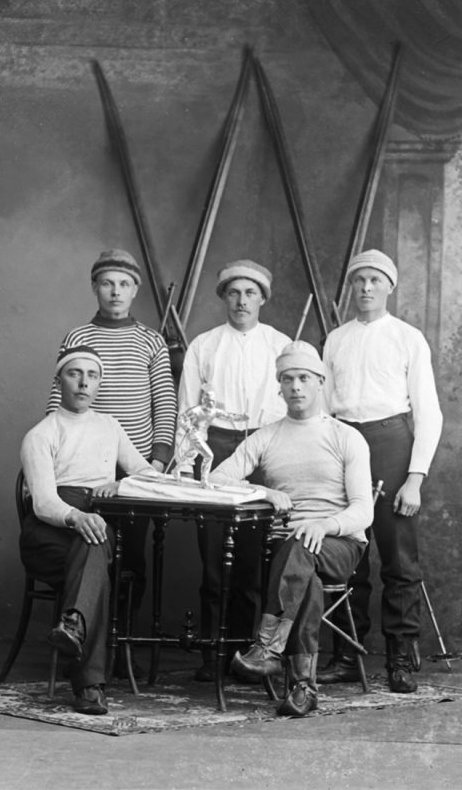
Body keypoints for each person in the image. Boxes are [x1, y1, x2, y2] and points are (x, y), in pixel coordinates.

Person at [210, 342, 373, 717]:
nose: (296, 386)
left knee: (301, 548)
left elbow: (363, 512)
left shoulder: (345, 437)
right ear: (279, 387)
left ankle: (267, 647)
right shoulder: (267, 436)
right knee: (304, 575)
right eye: (287, 379)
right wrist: (263, 491)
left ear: (319, 382)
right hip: (291, 553)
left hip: (340, 546)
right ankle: (303, 687)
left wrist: (325, 524)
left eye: (303, 378)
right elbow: (218, 479)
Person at [47, 248, 177, 672]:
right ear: (94, 287)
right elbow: (58, 403)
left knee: (131, 559)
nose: (115, 291)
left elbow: (165, 403)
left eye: (123, 283)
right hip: (84, 468)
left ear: (135, 289)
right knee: (87, 547)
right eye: (107, 282)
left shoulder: (150, 340)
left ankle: (117, 645)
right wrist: (57, 453)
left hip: (133, 468)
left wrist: (156, 463)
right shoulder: (77, 338)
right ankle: (82, 639)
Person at [320, 248, 444, 693]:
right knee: (346, 554)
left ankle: (401, 658)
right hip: (344, 444)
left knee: (398, 558)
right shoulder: (335, 340)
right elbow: (322, 407)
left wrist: (415, 477)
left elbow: (428, 413)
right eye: (359, 280)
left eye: (375, 280)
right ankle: (346, 656)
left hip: (392, 443)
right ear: (351, 287)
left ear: (390, 286)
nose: (366, 288)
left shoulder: (408, 338)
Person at [20, 346, 156, 715]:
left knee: (95, 545)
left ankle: (75, 631)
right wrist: (78, 518)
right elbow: (44, 503)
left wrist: (122, 485)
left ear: (98, 383)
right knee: (95, 545)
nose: (83, 383)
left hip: (96, 522)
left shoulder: (109, 426)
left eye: (92, 375)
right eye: (74, 374)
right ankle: (87, 677)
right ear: (59, 380)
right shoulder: (41, 434)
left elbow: (144, 472)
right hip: (51, 532)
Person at [177, 259, 291, 681]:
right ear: (224, 297)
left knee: (255, 558)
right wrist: (188, 468)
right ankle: (212, 653)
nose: (242, 301)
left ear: (262, 299)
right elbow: (188, 411)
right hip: (215, 446)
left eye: (250, 294)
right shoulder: (204, 346)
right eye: (234, 293)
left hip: (264, 447)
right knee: (212, 559)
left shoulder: (281, 344)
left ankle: (251, 652)